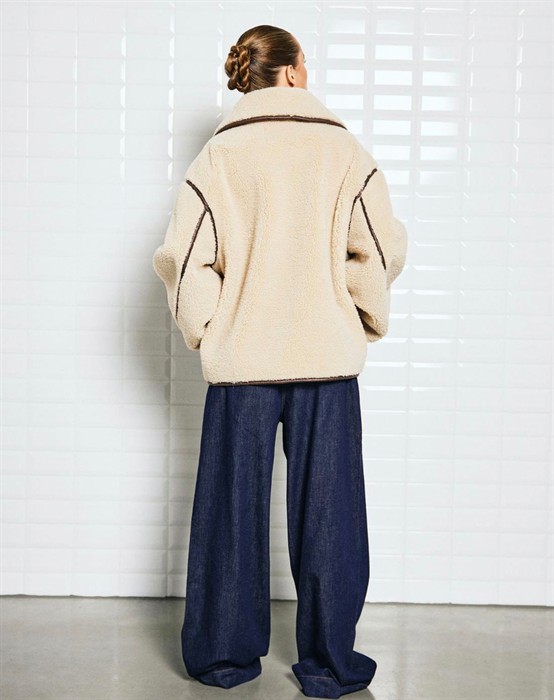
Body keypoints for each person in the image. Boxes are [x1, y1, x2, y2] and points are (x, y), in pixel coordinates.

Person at [152, 23, 407, 700]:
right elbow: (378, 247)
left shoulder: (219, 155)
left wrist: (211, 328)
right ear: (293, 71)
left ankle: (223, 659)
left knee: (229, 512)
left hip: (243, 359)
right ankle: (330, 663)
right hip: (326, 356)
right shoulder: (343, 150)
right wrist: (359, 314)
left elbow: (185, 257)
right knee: (331, 514)